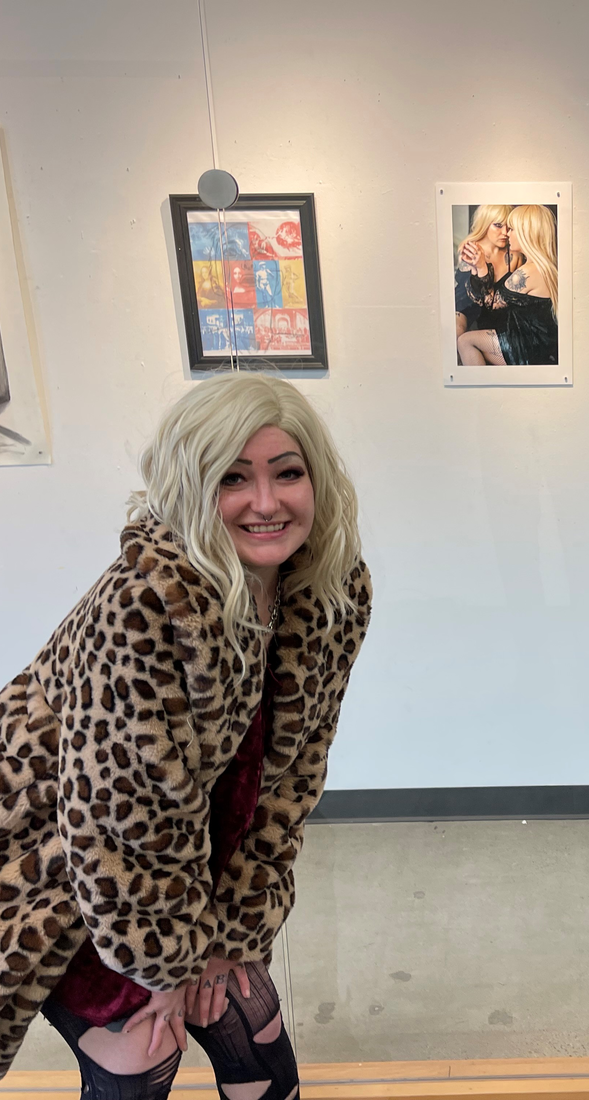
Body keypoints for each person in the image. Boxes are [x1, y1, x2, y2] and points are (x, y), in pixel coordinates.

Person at [0, 372, 372, 1097]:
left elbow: (290, 783)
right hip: (60, 864)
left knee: (249, 1018)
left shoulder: (331, 590)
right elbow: (120, 819)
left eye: (287, 473)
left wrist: (230, 937)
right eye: (233, 478)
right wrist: (165, 970)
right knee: (140, 1052)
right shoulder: (145, 603)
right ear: (190, 487)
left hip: (183, 870)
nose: (266, 502)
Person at [457, 204, 558, 366]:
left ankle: (480, 390)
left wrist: (481, 268)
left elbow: (491, 303)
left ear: (526, 233)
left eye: (511, 229)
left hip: (529, 346)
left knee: (465, 341)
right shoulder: (542, 267)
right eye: (501, 226)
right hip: (540, 341)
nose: (507, 234)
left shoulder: (525, 273)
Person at [452, 204, 520, 347]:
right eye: (498, 225)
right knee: (454, 333)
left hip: (502, 312)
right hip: (469, 304)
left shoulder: (514, 254)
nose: (505, 233)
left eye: (509, 227)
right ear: (485, 223)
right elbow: (468, 300)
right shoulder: (470, 251)